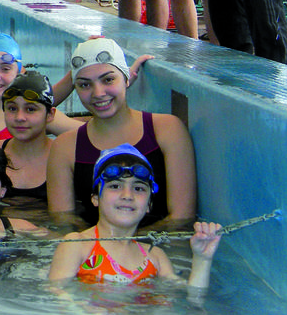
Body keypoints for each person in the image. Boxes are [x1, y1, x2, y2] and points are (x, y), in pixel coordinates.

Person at [46, 37, 196, 229]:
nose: (98, 93)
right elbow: (63, 222)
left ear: (126, 78)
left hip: (157, 245)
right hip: (94, 247)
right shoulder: (64, 147)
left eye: (108, 80)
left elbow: (181, 217)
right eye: (84, 85)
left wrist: (125, 244)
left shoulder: (167, 130)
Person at [48, 144, 220, 287]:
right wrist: (86, 313)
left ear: (149, 205)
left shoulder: (155, 257)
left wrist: (202, 259)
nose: (127, 195)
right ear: (95, 198)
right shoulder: (77, 245)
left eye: (138, 188)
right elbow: (57, 294)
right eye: (115, 186)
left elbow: (191, 300)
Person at [1, 71, 79, 207]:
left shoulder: (66, 159)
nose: (19, 117)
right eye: (12, 108)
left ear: (50, 114)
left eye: (30, 109)